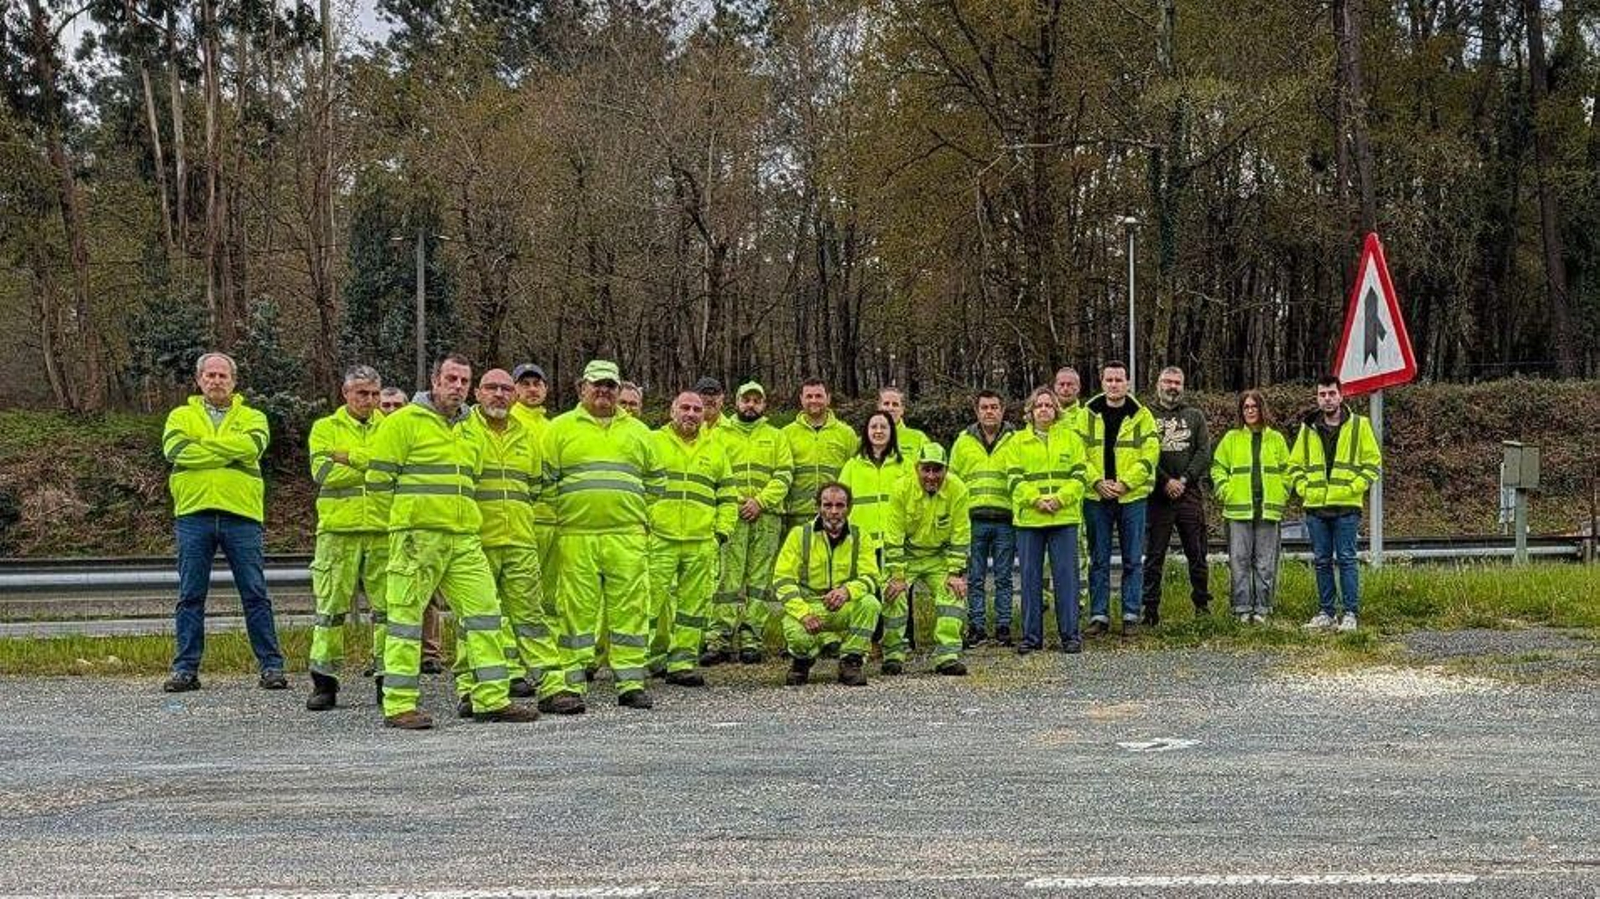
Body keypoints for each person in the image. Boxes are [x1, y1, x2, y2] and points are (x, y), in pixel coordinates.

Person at [364, 354, 538, 729]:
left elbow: (471, 480)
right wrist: (403, 526)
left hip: (463, 537)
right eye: (451, 379)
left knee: (485, 615)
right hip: (417, 537)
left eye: (463, 380)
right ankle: (398, 705)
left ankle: (491, 698)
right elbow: (378, 483)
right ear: (434, 380)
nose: (457, 386)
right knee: (406, 620)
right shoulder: (404, 422)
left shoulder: (469, 428)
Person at [541, 360, 663, 712]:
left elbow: (656, 483)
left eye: (610, 385)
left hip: (626, 536)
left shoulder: (639, 432)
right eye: (597, 385)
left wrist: (631, 512)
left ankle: (630, 683)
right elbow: (546, 482)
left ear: (619, 389)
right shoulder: (559, 429)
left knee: (631, 610)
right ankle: (572, 682)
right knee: (575, 612)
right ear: (582, 388)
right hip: (576, 535)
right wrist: (572, 511)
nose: (603, 391)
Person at [161, 351, 286, 693]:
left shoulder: (254, 416)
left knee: (255, 594)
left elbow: (253, 447)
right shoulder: (180, 415)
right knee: (190, 595)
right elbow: (175, 451)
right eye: (210, 375)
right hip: (193, 514)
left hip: (241, 515)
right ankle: (185, 669)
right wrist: (229, 449)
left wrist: (203, 446)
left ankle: (271, 666)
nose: (216, 381)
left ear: (234, 381)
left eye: (223, 376)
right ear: (199, 380)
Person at [456, 368, 562, 717]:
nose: (499, 394)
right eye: (491, 388)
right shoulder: (462, 430)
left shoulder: (527, 436)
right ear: (477, 393)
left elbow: (534, 486)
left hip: (520, 538)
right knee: (477, 619)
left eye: (504, 389)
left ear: (513, 395)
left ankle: (551, 685)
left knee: (531, 615)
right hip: (478, 540)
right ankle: (471, 688)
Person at [305, 365, 389, 710]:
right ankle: (324, 682)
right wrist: (372, 467)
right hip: (338, 532)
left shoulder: (392, 427)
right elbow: (323, 472)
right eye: (361, 394)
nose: (368, 400)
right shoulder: (325, 427)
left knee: (389, 611)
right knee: (330, 609)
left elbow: (394, 470)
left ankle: (388, 678)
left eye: (374, 394)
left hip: (384, 530)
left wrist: (351, 457)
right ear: (346, 393)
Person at [647, 391, 736, 686]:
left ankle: (682, 662)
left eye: (697, 409)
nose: (691, 413)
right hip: (660, 538)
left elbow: (727, 497)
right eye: (684, 407)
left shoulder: (716, 448)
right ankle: (646, 659)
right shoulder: (653, 442)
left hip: (700, 540)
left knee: (692, 607)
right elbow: (638, 487)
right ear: (672, 411)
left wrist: (721, 532)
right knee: (650, 603)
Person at [705, 381, 793, 665]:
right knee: (727, 578)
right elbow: (714, 474)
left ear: (764, 405)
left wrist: (761, 501)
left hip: (766, 517)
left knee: (759, 581)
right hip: (733, 515)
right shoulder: (719, 434)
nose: (751, 405)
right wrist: (739, 501)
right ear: (737, 402)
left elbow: (784, 475)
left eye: (757, 400)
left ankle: (752, 637)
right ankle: (718, 638)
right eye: (746, 400)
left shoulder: (776, 436)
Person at [1289, 376, 1382, 632]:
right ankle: (1326, 613)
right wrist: (1303, 487)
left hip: (1346, 507)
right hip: (1316, 506)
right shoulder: (1308, 428)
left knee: (1347, 559)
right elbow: (1295, 465)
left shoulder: (1359, 426)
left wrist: (1354, 487)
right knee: (1321, 561)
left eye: (1331, 393)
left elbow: (1373, 463)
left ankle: (1350, 613)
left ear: (1341, 396)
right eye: (1322, 394)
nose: (1327, 398)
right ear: (1317, 398)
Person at [772, 483, 882, 687]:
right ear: (818, 507)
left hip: (844, 605)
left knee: (870, 604)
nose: (834, 511)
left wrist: (847, 591)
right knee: (797, 637)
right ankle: (801, 662)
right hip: (810, 605)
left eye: (840, 505)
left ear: (849, 508)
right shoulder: (799, 535)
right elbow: (782, 579)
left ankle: (851, 661)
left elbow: (872, 577)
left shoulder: (861, 537)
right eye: (827, 505)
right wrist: (803, 613)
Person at [1007, 387, 1089, 654]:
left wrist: (1059, 500)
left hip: (1063, 517)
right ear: (1030, 412)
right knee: (1030, 579)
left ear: (1056, 410)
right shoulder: (1016, 442)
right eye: (1038, 406)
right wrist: (1036, 500)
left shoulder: (1071, 439)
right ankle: (1031, 637)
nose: (1043, 410)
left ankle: (1070, 636)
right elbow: (1014, 479)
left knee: (1066, 579)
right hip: (1030, 519)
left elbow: (1079, 477)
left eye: (1048, 405)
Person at [1081, 361, 1159, 638]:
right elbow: (1077, 454)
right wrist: (1096, 481)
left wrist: (1125, 483)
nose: (1114, 384)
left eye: (1119, 379)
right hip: (1096, 496)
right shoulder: (1086, 414)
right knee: (1098, 559)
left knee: (1132, 560)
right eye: (1109, 379)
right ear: (1102, 382)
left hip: (1131, 497)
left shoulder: (1142, 416)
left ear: (1128, 383)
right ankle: (1099, 616)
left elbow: (1149, 456)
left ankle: (1130, 615)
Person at [884, 444, 971, 675]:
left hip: (939, 557)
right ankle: (893, 654)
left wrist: (955, 572)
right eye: (926, 470)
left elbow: (961, 534)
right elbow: (893, 535)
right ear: (917, 468)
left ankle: (947, 655)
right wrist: (897, 575)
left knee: (953, 593)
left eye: (937, 470)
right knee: (895, 594)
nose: (931, 476)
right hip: (907, 556)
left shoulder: (958, 489)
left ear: (946, 470)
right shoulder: (901, 489)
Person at [1141, 366, 1212, 625]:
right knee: (1154, 556)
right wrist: (1165, 481)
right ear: (1158, 384)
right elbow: (1142, 453)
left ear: (1183, 386)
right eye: (1168, 381)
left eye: (1177, 382)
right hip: (1158, 497)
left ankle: (1202, 606)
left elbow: (1204, 452)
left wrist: (1183, 480)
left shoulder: (1194, 416)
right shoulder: (1145, 415)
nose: (1173, 386)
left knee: (1197, 554)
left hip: (1189, 494)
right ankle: (1149, 612)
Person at [1211, 390, 1291, 623]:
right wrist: (1225, 490)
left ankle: (1263, 609)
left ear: (1262, 409)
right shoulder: (1231, 438)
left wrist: (1283, 492)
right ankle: (1242, 608)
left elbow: (1288, 470)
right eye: (1246, 407)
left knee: (1265, 562)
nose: (1250, 411)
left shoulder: (1275, 439)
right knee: (1239, 560)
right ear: (1241, 411)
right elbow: (1217, 468)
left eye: (1254, 406)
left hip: (1268, 509)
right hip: (1238, 509)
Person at [837, 411, 908, 668]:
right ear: (866, 432)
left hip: (893, 542)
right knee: (868, 593)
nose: (878, 431)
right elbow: (841, 502)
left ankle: (896, 646)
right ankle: (869, 642)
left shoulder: (904, 465)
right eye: (873, 427)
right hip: (864, 543)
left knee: (894, 595)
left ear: (892, 432)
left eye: (884, 427)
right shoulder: (853, 465)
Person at [950, 389, 1017, 646]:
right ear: (976, 411)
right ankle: (976, 626)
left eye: (994, 407)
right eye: (984, 407)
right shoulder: (963, 441)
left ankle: (1003, 626)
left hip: (1005, 518)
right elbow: (953, 480)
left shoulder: (1016, 439)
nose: (989, 412)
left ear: (1002, 410)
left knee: (1004, 577)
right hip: (973, 519)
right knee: (974, 577)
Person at [509, 362, 560, 663]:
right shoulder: (509, 423)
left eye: (536, 384)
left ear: (545, 389)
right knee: (518, 596)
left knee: (551, 599)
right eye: (525, 384)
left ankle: (546, 658)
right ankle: (511, 663)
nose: (531, 389)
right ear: (515, 389)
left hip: (554, 521)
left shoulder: (553, 427)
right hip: (521, 523)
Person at [781, 378, 860, 536]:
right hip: (797, 515)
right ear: (801, 399)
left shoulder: (846, 434)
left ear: (828, 398)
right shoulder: (785, 434)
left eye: (818, 396)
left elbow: (855, 475)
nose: (814, 400)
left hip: (836, 514)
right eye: (809, 396)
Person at [877, 386, 928, 460]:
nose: (890, 408)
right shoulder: (865, 439)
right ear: (879, 408)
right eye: (886, 404)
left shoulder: (919, 438)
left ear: (902, 410)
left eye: (895, 404)